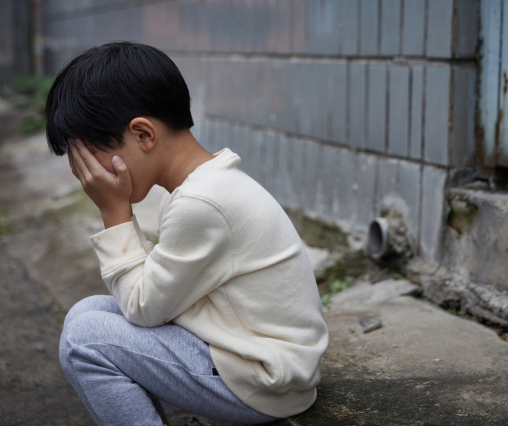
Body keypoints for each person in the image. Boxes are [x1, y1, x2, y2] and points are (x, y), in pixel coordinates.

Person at [46, 41, 329, 426]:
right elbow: (159, 298)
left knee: (85, 340)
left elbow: (143, 308)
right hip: (257, 360)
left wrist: (113, 211)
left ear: (144, 135)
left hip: (263, 381)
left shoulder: (202, 204)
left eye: (92, 157)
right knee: (87, 312)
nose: (89, 175)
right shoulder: (203, 187)